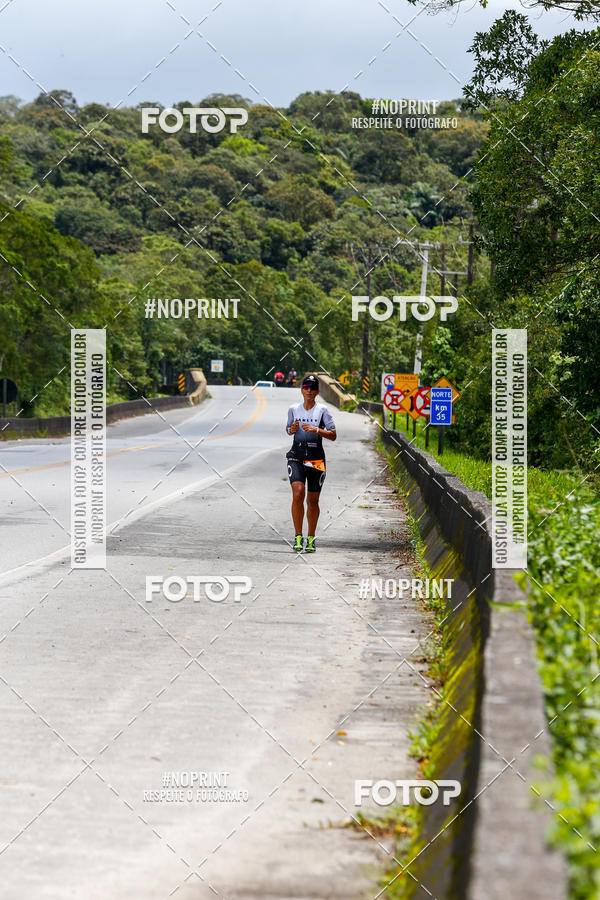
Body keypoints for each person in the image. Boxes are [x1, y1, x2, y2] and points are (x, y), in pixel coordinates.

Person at [285, 374, 336, 552]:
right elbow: (289, 429)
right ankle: (298, 537)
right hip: (296, 456)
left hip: (315, 458)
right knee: (298, 493)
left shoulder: (323, 411)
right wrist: (291, 429)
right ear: (301, 390)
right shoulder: (293, 409)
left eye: (312, 388)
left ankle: (311, 538)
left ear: (317, 391)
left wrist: (316, 430)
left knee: (312, 501)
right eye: (306, 387)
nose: (308, 391)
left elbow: (333, 435)